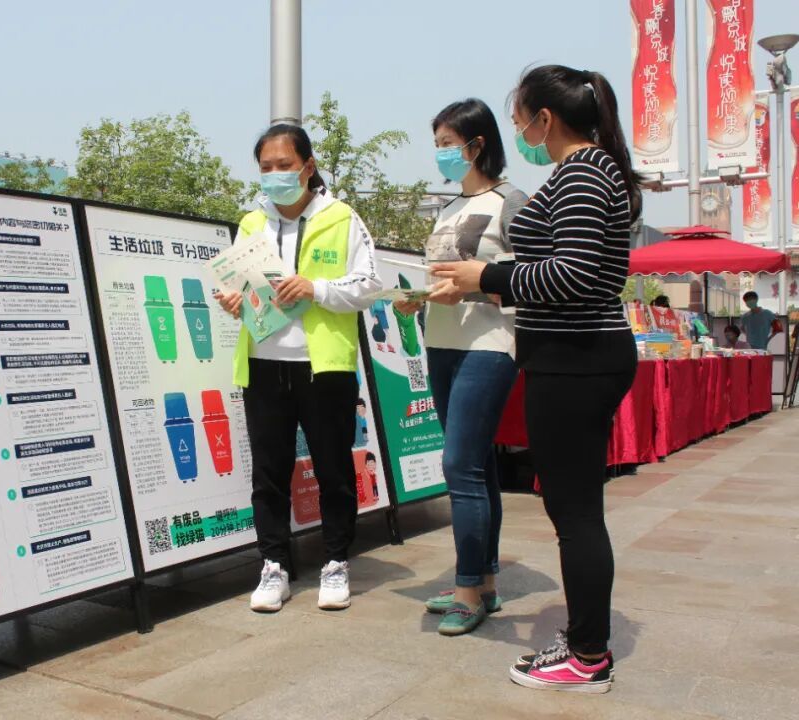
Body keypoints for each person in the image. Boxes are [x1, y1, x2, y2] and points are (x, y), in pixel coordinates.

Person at [434, 65, 640, 693]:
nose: (519, 131)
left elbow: (573, 274)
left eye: (521, 118)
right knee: (573, 511)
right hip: (569, 356)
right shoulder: (588, 170)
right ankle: (584, 641)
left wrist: (486, 277)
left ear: (545, 119)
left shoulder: (582, 173)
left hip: (577, 359)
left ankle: (587, 656)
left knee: (576, 515)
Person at [214, 124, 380, 613]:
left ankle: (335, 561)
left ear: (308, 167)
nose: (275, 175)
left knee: (333, 470)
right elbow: (242, 288)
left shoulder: (342, 218)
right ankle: (274, 566)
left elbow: (370, 286)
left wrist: (316, 289)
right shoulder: (251, 223)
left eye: (284, 165)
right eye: (266, 167)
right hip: (263, 364)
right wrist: (233, 301)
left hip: (322, 367)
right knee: (268, 474)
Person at [394, 98, 527, 637]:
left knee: (458, 465)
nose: (441, 153)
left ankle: (467, 589)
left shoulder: (512, 202)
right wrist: (419, 299)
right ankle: (484, 582)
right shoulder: (447, 209)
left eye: (448, 144)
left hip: (489, 345)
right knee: (477, 465)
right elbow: (445, 278)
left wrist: (471, 292)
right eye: (437, 145)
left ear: (477, 144)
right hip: (443, 343)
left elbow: (528, 282)